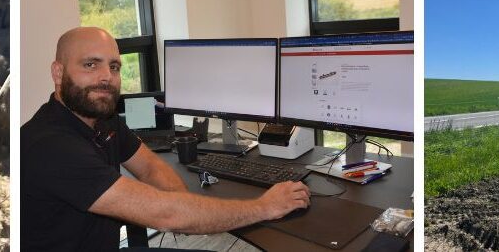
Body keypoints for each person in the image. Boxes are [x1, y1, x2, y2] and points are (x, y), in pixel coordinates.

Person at [21, 27, 310, 251]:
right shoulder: (50, 145)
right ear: (58, 73)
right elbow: (166, 216)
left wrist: (185, 206)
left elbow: (149, 167)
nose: (106, 77)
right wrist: (265, 206)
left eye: (114, 66)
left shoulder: (100, 119)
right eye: (90, 65)